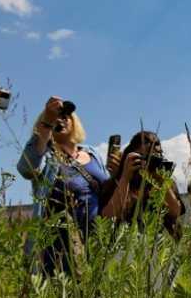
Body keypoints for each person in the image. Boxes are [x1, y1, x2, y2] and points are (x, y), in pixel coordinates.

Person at [17, 97, 134, 275]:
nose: (61, 119)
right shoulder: (44, 154)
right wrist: (47, 121)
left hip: (96, 240)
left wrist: (117, 174)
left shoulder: (92, 154)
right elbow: (26, 169)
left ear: (75, 122)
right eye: (56, 116)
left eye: (66, 116)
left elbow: (104, 195)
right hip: (57, 244)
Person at [106, 131, 184, 239]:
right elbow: (108, 217)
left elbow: (175, 212)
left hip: (160, 247)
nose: (147, 163)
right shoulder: (118, 181)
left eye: (155, 156)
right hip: (125, 247)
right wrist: (125, 177)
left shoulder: (165, 182)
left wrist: (160, 180)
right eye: (144, 157)